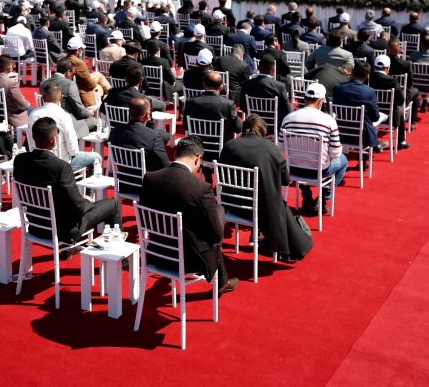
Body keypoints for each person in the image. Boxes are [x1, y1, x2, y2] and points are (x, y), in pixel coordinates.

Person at [140, 136, 238, 294]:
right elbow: (217, 235)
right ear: (197, 158)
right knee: (218, 214)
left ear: (175, 154)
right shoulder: (201, 188)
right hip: (188, 261)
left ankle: (222, 281)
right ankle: (221, 282)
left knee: (212, 214)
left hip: (156, 254)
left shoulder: (150, 178)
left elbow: (145, 219)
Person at [219, 114, 313, 262]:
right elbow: (286, 180)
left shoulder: (229, 146)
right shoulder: (271, 148)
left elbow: (221, 175)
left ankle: (257, 235)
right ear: (262, 131)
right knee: (273, 198)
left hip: (231, 205)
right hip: (263, 210)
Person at [14, 117, 121, 244]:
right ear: (54, 140)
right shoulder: (61, 167)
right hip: (64, 230)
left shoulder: (20, 160)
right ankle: (117, 251)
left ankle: (68, 250)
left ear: (32, 136)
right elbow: (78, 206)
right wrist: (88, 202)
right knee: (113, 205)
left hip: (36, 225)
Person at [279, 82, 347, 214]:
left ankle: (307, 196)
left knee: (302, 159)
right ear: (320, 101)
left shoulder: (288, 118)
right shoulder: (329, 121)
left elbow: (281, 148)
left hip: (293, 169)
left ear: (305, 99)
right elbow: (335, 153)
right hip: (318, 171)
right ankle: (323, 198)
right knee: (343, 160)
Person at [27, 85, 102, 174]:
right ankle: (87, 183)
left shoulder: (33, 114)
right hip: (62, 163)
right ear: (62, 97)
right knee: (96, 157)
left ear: (42, 98)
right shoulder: (64, 116)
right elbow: (73, 148)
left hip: (37, 160)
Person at [108, 97, 171, 180]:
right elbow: (165, 165)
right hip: (147, 183)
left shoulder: (115, 132)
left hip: (124, 181)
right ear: (147, 114)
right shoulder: (153, 135)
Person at [332, 61, 386, 153]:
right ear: (367, 76)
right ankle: (374, 146)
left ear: (352, 72)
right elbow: (375, 117)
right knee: (379, 118)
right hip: (362, 136)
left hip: (339, 133)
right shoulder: (369, 91)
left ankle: (376, 144)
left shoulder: (337, 88)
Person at [40, 58, 97, 137]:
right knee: (101, 123)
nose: (73, 76)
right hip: (69, 124)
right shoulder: (70, 84)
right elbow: (81, 112)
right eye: (73, 74)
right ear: (68, 72)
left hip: (48, 122)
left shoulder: (43, 84)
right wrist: (89, 112)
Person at [368, 54, 409, 149]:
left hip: (372, 114)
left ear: (374, 66)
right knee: (400, 111)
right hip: (390, 116)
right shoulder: (393, 81)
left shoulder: (369, 78)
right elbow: (401, 100)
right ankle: (401, 141)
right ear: (387, 68)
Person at [239, 55, 291, 123]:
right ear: (273, 70)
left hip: (254, 123)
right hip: (273, 123)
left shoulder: (246, 84)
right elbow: (287, 110)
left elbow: (242, 106)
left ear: (258, 68)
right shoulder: (280, 86)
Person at [0, 54, 31, 128]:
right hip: (12, 116)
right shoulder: (11, 83)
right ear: (9, 67)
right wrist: (28, 103)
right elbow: (22, 105)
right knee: (36, 112)